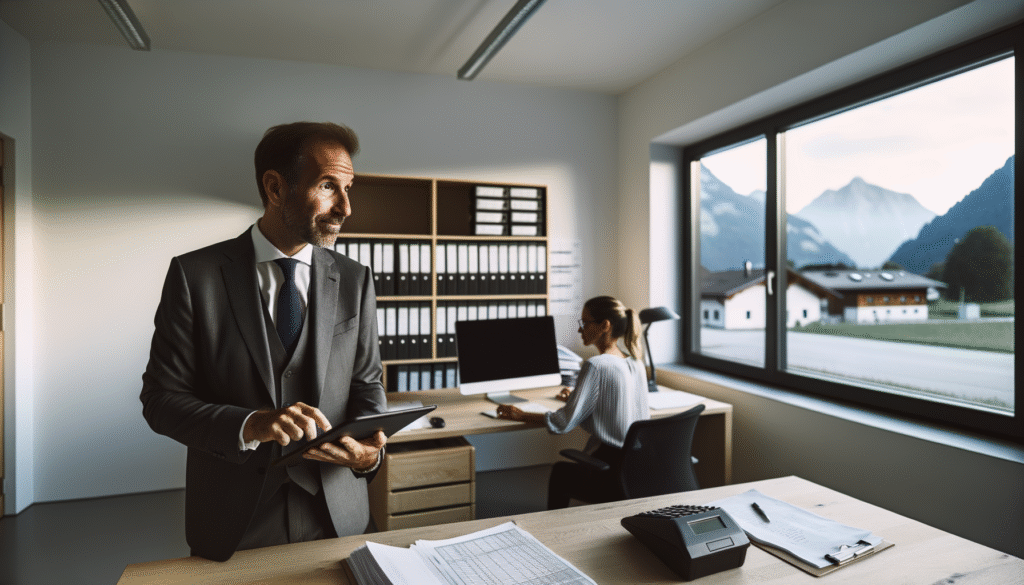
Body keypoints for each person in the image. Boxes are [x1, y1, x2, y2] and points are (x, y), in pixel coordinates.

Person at [140, 122, 387, 561]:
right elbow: (161, 400)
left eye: (349, 188)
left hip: (338, 518)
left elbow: (367, 384)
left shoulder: (356, 279)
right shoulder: (194, 276)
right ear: (275, 188)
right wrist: (251, 424)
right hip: (232, 522)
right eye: (329, 186)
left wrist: (369, 455)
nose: (346, 208)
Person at [496, 295, 650, 509]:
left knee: (561, 471)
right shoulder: (635, 362)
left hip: (611, 468)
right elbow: (617, 404)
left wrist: (521, 415)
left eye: (585, 323)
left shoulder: (596, 365)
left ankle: (554, 530)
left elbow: (562, 423)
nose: (580, 329)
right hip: (638, 467)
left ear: (604, 326)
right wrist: (579, 397)